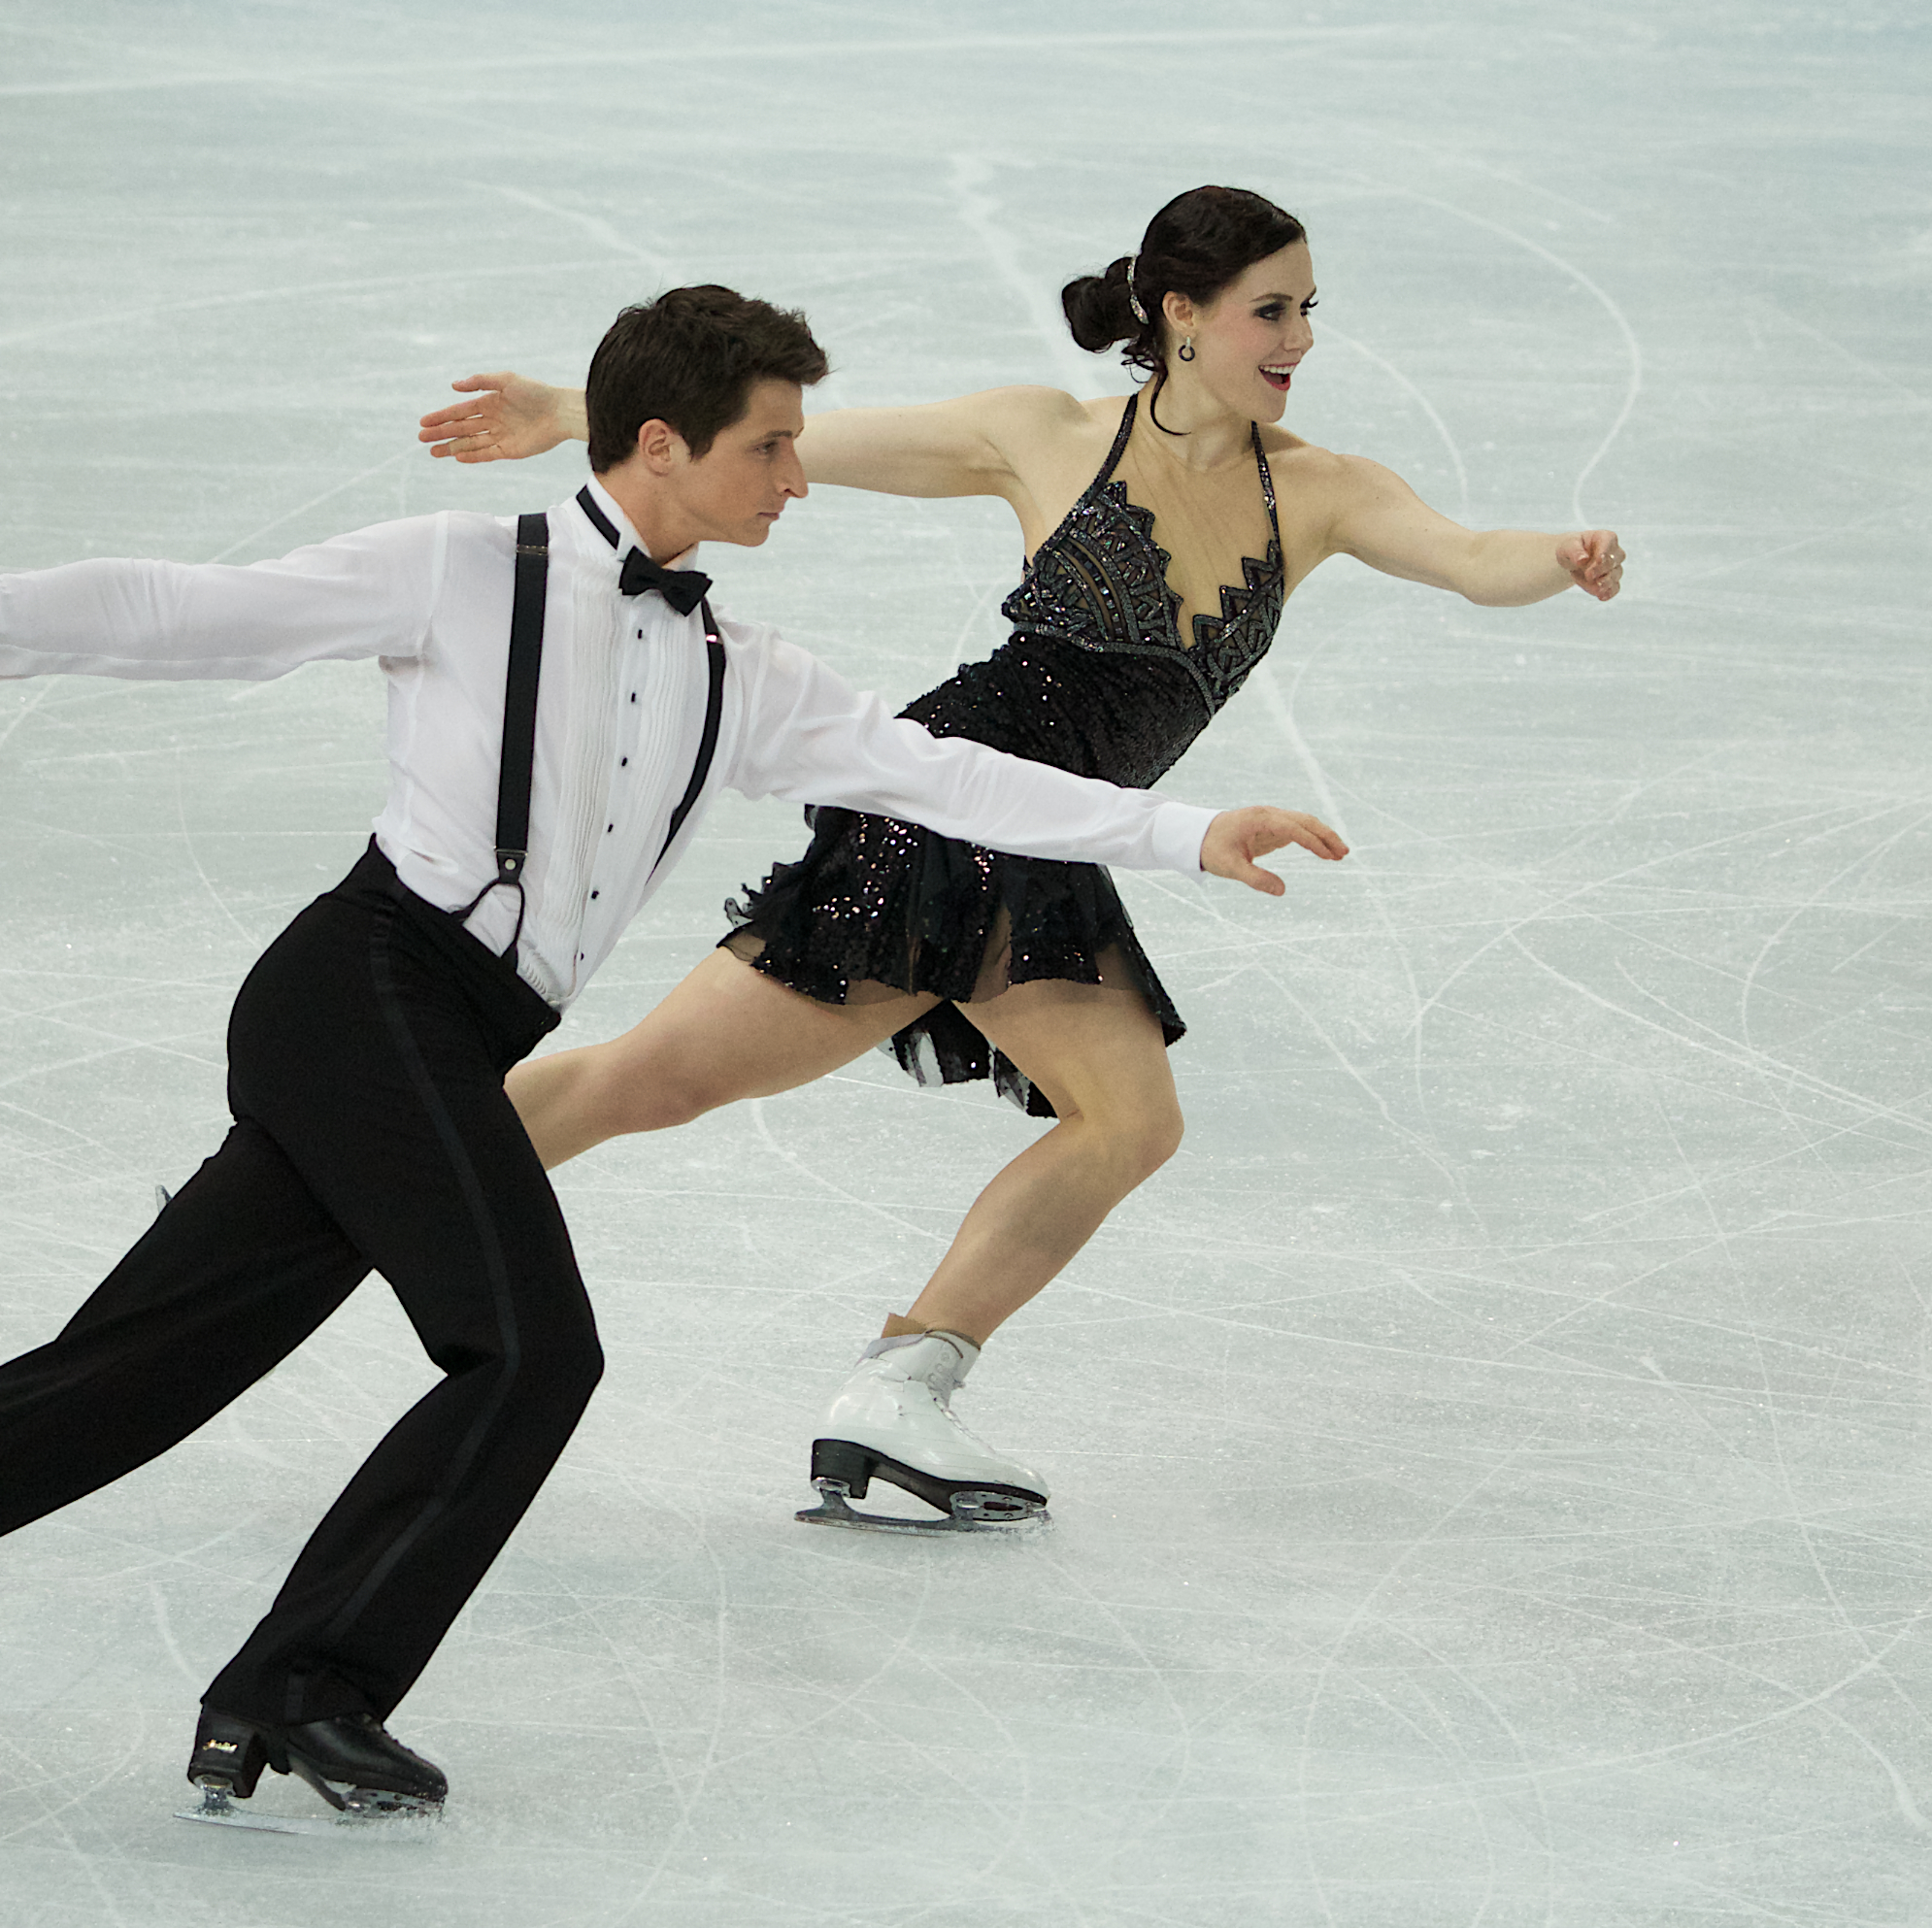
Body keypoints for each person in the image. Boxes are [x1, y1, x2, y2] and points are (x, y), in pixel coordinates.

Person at [0, 284, 1344, 1823]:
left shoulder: (740, 661)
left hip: (453, 1025)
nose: (798, 480)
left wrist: (1185, 836)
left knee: (120, 1381)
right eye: (769, 450)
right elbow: (177, 614)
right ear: (662, 446)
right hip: (362, 992)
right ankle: (299, 1691)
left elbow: (944, 775)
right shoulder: (458, 570)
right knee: (530, 1351)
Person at [416, 187, 1624, 1533]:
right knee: (1125, 1117)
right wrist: (563, 412)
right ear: (1180, 315)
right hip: (965, 789)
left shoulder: (1323, 493)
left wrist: (1558, 555)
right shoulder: (1042, 437)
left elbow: (1467, 557)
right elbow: (810, 441)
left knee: (658, 1078)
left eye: (1305, 311)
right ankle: (900, 1384)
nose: (1296, 340)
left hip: (1015, 820)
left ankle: (342, 1180)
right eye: (1268, 311)